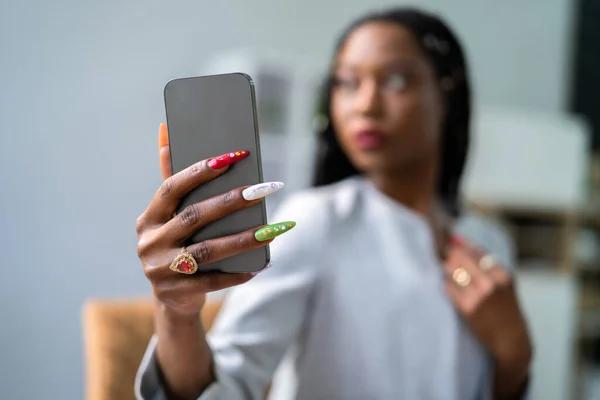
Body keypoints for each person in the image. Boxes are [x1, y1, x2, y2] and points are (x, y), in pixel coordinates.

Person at [135, 7, 533, 400]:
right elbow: (228, 386)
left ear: (447, 92)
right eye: (347, 83)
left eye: (395, 80)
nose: (365, 105)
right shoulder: (314, 222)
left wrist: (514, 354)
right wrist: (177, 312)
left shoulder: (489, 242)